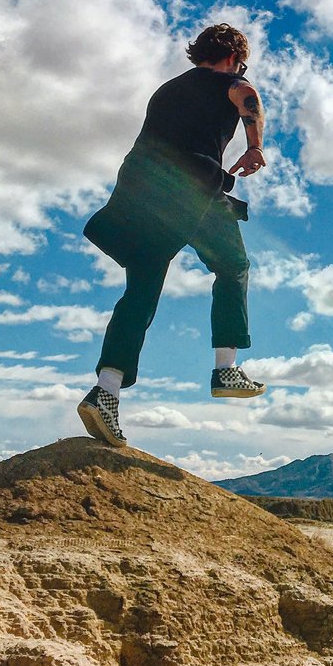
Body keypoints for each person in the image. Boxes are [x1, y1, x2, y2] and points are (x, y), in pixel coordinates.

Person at [78, 23, 268, 448]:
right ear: (234, 59)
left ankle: (105, 392)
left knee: (142, 288)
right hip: (190, 186)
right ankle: (226, 368)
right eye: (241, 65)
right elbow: (248, 98)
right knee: (233, 265)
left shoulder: (165, 90)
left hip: (140, 188)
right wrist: (255, 145)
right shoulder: (230, 82)